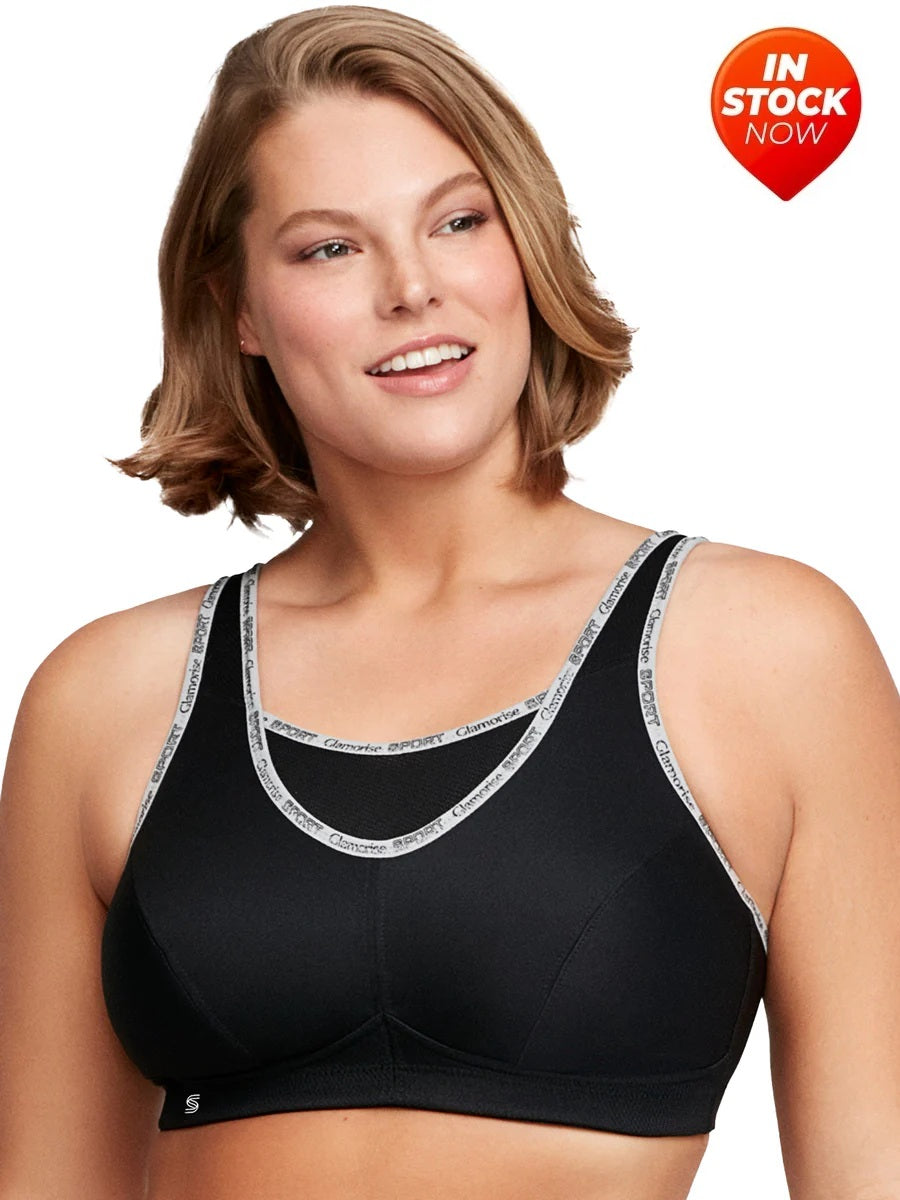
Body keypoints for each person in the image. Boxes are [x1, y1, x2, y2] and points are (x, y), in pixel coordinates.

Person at [0, 7, 898, 1199]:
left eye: (459, 221)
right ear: (240, 310)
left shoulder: (766, 651)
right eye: (331, 248)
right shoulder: (101, 700)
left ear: (525, 246)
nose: (413, 288)